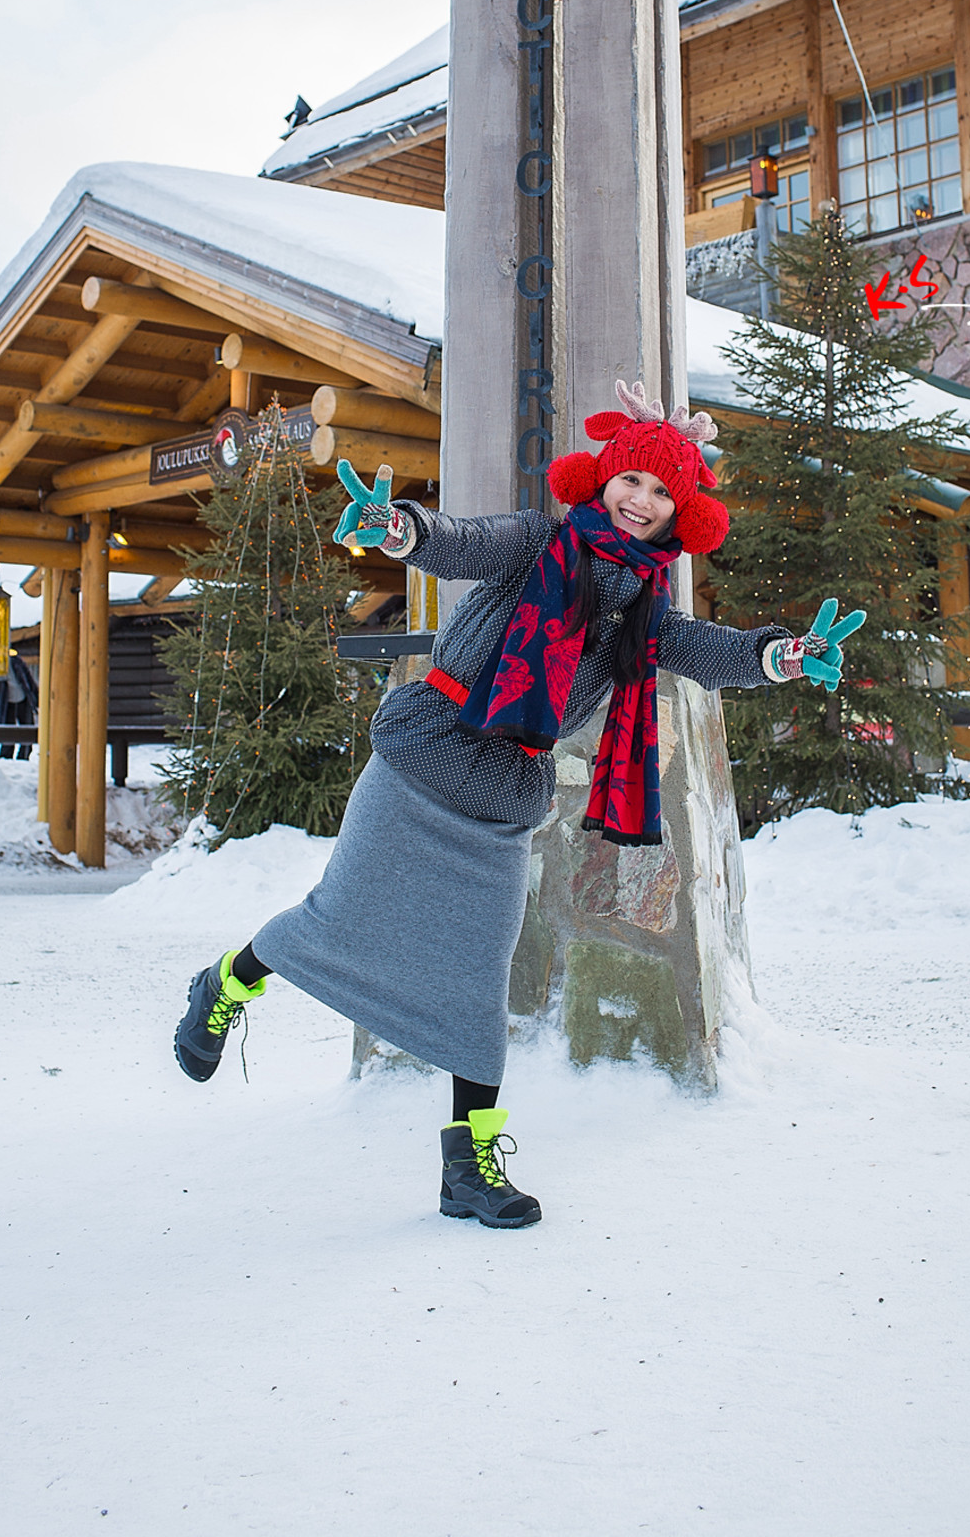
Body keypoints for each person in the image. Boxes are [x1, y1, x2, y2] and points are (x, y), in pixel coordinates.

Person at [174, 382, 864, 1229]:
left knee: (476, 986)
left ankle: (469, 1167)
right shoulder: (537, 542)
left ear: (678, 513)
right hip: (424, 756)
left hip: (503, 800)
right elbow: (458, 543)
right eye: (632, 481)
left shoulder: (647, 611)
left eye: (661, 491)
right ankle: (225, 984)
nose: (641, 500)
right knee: (336, 919)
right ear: (604, 478)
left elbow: (712, 652)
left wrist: (783, 658)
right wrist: (400, 529)